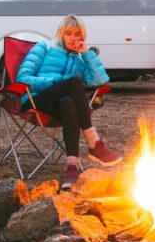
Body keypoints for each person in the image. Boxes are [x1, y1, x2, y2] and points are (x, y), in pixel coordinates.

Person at [16, 14, 123, 189]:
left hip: (59, 108)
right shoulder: (44, 47)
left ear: (83, 36)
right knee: (73, 82)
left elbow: (99, 80)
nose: (73, 38)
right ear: (61, 33)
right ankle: (94, 143)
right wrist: (54, 83)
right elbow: (23, 77)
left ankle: (72, 166)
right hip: (35, 101)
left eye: (77, 34)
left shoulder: (81, 58)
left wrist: (87, 55)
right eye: (68, 33)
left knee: (67, 101)